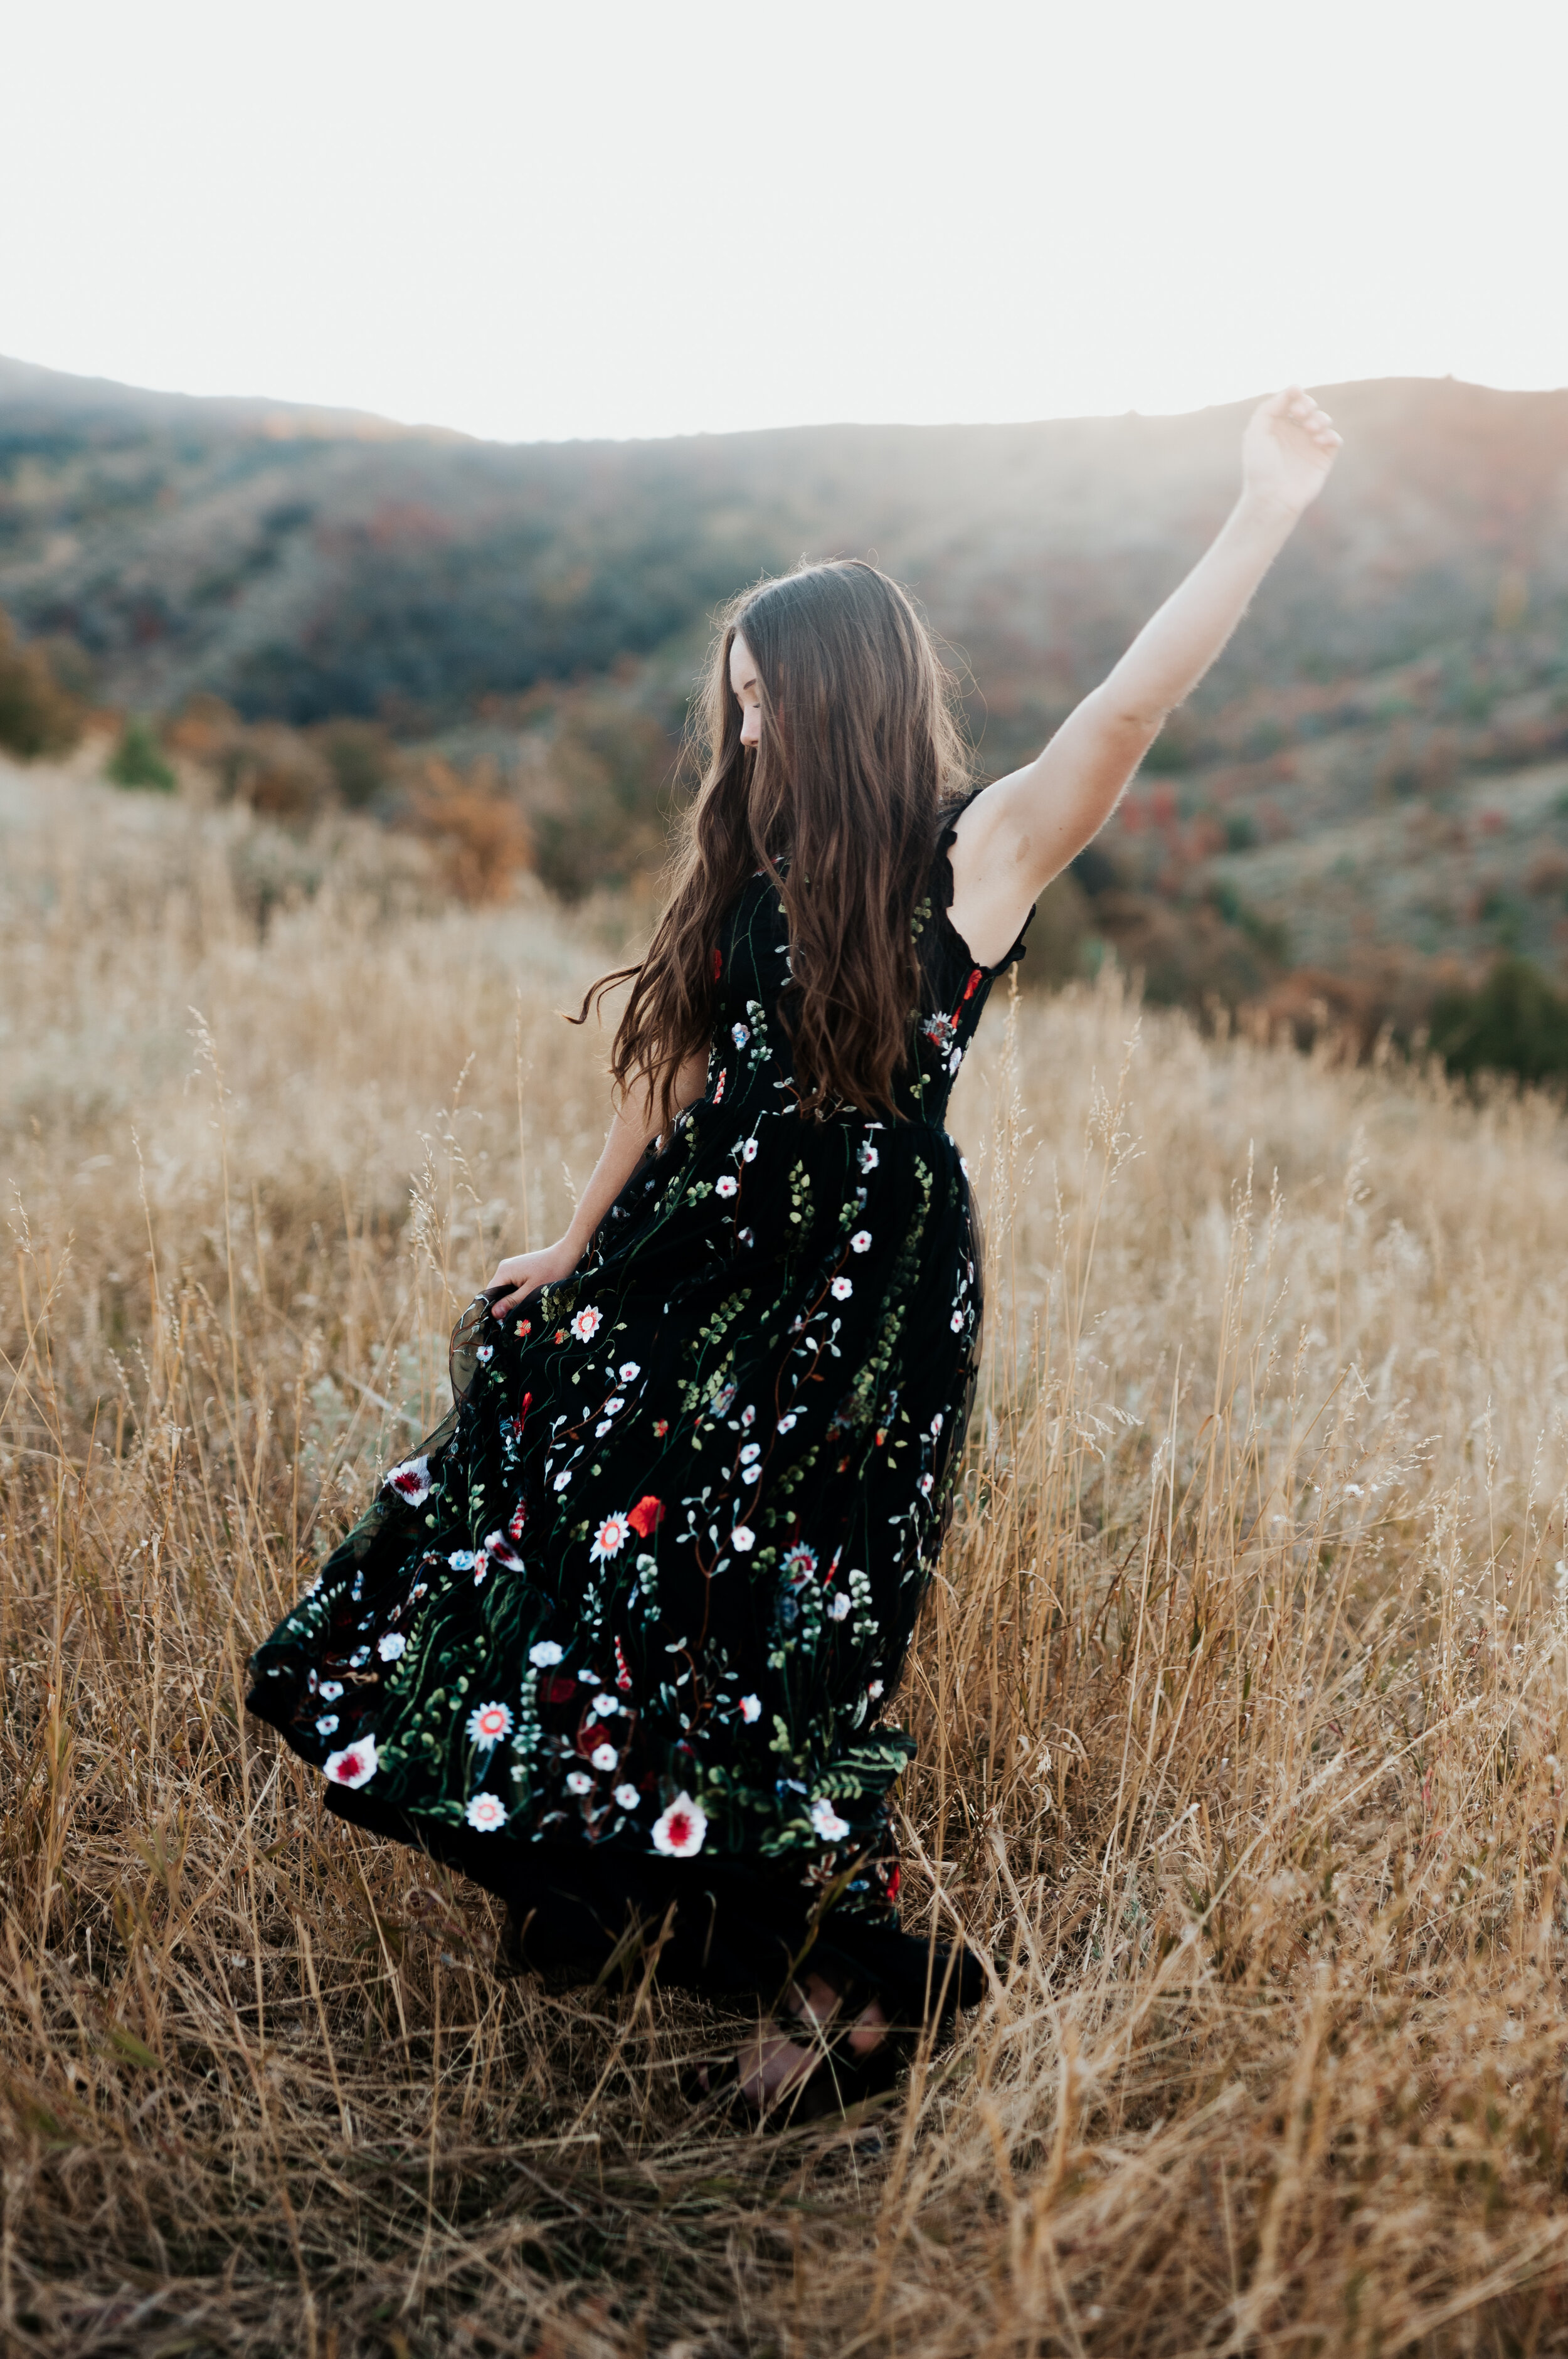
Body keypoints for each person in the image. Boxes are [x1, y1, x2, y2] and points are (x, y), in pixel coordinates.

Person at [248, 388, 1340, 2115]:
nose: (743, 735)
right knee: (584, 1543)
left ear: (838, 698)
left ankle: (873, 1984)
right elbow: (669, 1063)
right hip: (693, 1264)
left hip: (855, 1299)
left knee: (782, 1632)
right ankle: (660, 1902)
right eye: (731, 706)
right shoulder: (752, 872)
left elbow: (1129, 707)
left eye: (765, 704)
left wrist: (1262, 509)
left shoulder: (973, 854)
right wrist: (577, 1237)